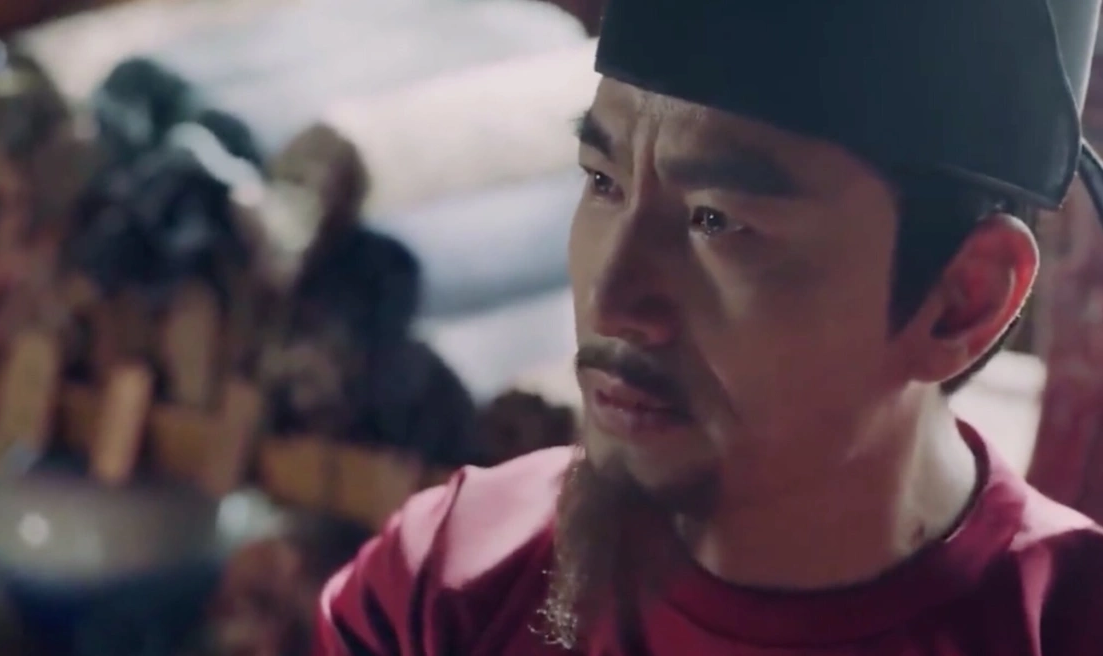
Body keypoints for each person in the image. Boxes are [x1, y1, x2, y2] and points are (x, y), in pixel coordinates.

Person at [315, 0, 1103, 653]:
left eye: (717, 220)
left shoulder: (1066, 627)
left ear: (962, 300)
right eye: (603, 181)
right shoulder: (449, 586)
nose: (611, 301)